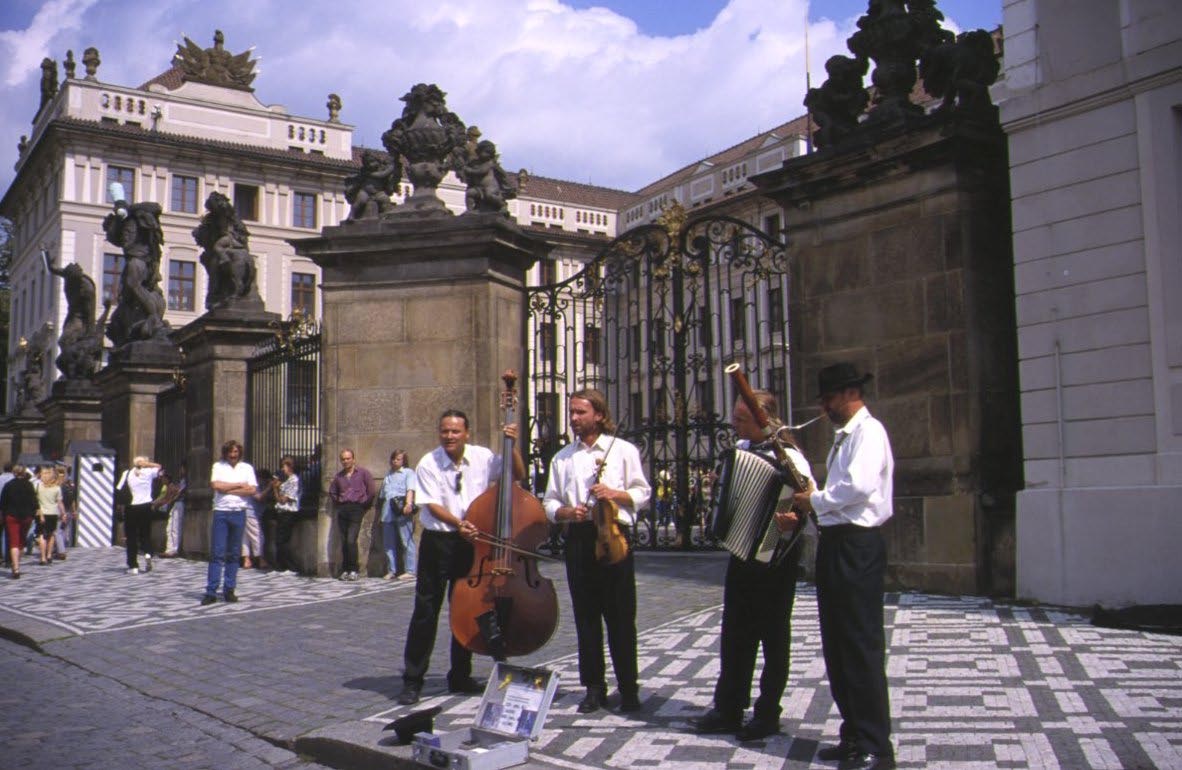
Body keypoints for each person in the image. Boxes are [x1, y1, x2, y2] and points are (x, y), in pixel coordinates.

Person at [690, 389, 814, 741]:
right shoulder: (739, 453)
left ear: (764, 420)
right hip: (742, 554)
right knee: (735, 633)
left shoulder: (790, 457)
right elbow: (728, 493)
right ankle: (729, 707)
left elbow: (808, 501)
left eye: (742, 419)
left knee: (774, 636)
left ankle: (767, 712)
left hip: (776, 558)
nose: (734, 423)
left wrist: (794, 518)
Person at [792, 362, 895, 770]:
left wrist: (815, 500)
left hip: (857, 545)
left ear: (850, 394)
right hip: (837, 544)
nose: (825, 406)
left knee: (859, 644)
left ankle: (876, 744)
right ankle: (853, 732)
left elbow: (858, 487)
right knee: (837, 643)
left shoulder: (869, 433)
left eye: (830, 398)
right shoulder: (844, 436)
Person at [398, 410, 526, 706]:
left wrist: (512, 444)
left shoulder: (482, 457)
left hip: (472, 543)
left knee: (465, 609)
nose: (449, 436)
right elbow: (429, 504)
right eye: (444, 431)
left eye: (455, 431)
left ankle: (460, 675)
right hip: (439, 541)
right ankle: (413, 679)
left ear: (466, 433)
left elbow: (515, 473)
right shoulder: (429, 462)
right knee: (426, 611)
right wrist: (460, 524)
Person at [542, 388, 651, 714]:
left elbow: (642, 492)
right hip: (579, 537)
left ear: (599, 415)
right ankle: (594, 687)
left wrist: (614, 493)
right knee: (586, 616)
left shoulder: (623, 450)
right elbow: (549, 502)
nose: (574, 419)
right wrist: (565, 513)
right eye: (572, 413)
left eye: (581, 413)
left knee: (620, 616)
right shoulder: (562, 457)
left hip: (614, 534)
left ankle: (628, 688)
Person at [203, 439, 257, 605]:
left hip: (239, 512)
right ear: (225, 453)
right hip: (221, 512)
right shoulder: (218, 466)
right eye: (230, 452)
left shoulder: (246, 468)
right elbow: (217, 486)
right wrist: (240, 485)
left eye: (235, 452)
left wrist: (229, 488)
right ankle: (211, 590)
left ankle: (229, 589)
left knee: (234, 553)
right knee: (217, 552)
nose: (233, 455)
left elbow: (252, 489)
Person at [328, 449, 374, 581]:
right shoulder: (339, 477)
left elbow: (371, 490)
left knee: (351, 539)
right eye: (343, 459)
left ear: (353, 459)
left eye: (348, 458)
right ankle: (345, 569)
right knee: (344, 541)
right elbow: (332, 492)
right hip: (343, 509)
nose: (346, 461)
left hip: (356, 508)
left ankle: (354, 569)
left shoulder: (363, 473)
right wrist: (339, 502)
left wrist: (363, 504)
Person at [378, 450, 417, 580]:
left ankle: (410, 570)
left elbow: (410, 489)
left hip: (401, 509)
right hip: (387, 511)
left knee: (406, 540)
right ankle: (391, 570)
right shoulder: (388, 475)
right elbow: (383, 495)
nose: (395, 461)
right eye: (394, 459)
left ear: (403, 461)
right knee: (388, 543)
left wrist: (409, 504)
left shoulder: (408, 473)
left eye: (399, 459)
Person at [118, 456, 161, 574]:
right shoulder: (149, 472)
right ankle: (147, 553)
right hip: (146, 506)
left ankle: (133, 565)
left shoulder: (127, 473)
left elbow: (119, 489)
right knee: (145, 533)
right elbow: (159, 467)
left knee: (131, 536)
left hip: (131, 507)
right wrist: (148, 464)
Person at [1, 465, 37, 579]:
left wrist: (4, 514)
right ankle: (17, 564)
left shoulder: (9, 485)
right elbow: (34, 501)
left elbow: (3, 502)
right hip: (26, 516)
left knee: (13, 542)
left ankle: (15, 567)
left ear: (14, 472)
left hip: (11, 516)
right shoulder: (29, 485)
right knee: (21, 541)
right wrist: (33, 514)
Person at [270, 456, 301, 574]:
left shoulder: (294, 480)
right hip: (281, 511)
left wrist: (276, 489)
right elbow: (278, 499)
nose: (282, 469)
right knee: (278, 539)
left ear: (290, 467)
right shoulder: (285, 480)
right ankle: (280, 566)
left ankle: (291, 566)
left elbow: (284, 499)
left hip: (289, 512)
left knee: (283, 540)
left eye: (284, 466)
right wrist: (275, 489)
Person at [35, 467, 66, 567]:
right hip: (53, 513)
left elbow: (35, 501)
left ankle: (43, 557)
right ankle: (49, 555)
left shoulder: (38, 486)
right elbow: (59, 502)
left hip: (41, 514)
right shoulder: (57, 488)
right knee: (51, 534)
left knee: (42, 535)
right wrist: (63, 513)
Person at [243, 468, 271, 570]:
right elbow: (259, 497)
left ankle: (247, 559)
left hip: (247, 512)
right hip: (251, 513)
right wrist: (269, 487)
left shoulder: (255, 485)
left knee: (246, 538)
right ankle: (261, 559)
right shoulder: (254, 486)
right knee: (258, 536)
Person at [158, 463, 187, 558]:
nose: (180, 470)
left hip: (179, 504)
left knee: (175, 527)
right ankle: (169, 548)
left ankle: (173, 549)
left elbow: (178, 494)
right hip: (174, 504)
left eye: (182, 468)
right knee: (170, 527)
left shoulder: (186, 481)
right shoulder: (181, 481)